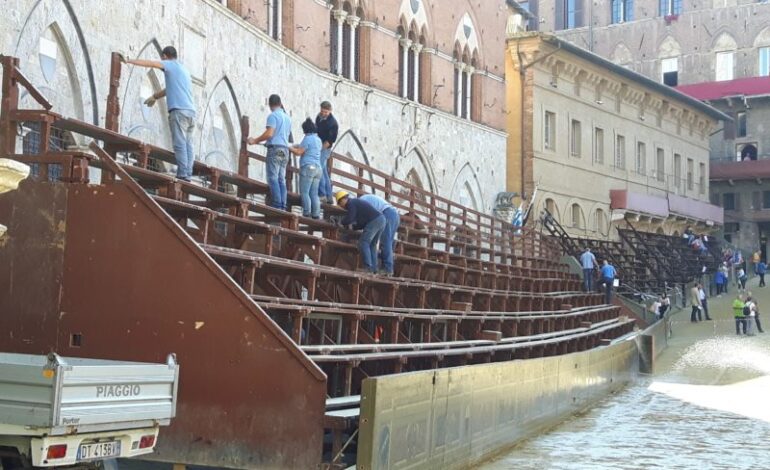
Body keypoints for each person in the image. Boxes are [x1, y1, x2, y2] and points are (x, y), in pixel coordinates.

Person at [122, 46, 196, 181]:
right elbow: (170, 89)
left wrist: (129, 60)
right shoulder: (184, 70)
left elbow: (151, 63)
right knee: (188, 144)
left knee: (179, 143)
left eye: (162, 58)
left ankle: (183, 174)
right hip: (191, 112)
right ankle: (188, 173)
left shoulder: (169, 64)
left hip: (178, 111)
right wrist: (155, 96)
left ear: (165, 56)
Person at [248, 94, 291, 210]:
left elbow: (269, 133)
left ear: (270, 104)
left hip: (275, 148)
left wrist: (255, 140)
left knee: (273, 177)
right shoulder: (287, 118)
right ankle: (283, 204)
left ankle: (277, 203)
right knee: (281, 178)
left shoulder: (273, 116)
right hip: (285, 150)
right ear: (280, 103)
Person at [334, 190, 386, 274]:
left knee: (363, 242)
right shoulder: (355, 203)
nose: (341, 206)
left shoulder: (351, 203)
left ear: (343, 199)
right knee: (372, 244)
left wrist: (341, 222)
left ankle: (368, 268)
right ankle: (374, 269)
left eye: (339, 203)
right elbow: (362, 222)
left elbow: (350, 218)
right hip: (381, 220)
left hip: (375, 221)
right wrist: (353, 227)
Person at [360, 193, 400, 276]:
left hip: (387, 213)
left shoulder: (361, 201)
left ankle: (387, 269)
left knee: (385, 242)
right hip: (394, 214)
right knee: (387, 242)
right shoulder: (365, 199)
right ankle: (384, 268)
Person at [289, 118, 322, 219]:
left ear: (305, 130)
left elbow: (299, 152)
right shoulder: (318, 139)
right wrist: (297, 145)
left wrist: (289, 147)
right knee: (314, 193)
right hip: (318, 168)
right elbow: (307, 147)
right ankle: (316, 214)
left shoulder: (307, 138)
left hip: (308, 167)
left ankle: (306, 212)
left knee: (304, 191)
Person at [315, 101, 339, 204]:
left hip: (325, 147)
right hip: (319, 144)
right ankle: (329, 196)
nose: (323, 113)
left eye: (325, 112)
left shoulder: (333, 123)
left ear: (330, 111)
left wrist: (320, 149)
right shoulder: (319, 117)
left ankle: (322, 194)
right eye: (322, 111)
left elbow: (330, 141)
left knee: (318, 168)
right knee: (324, 172)